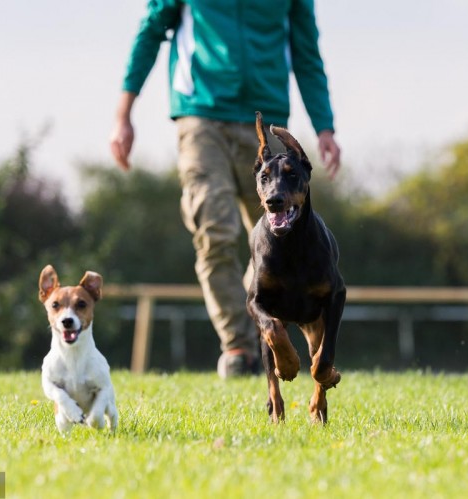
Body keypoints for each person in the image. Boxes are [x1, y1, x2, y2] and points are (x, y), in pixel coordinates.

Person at [109, 0, 341, 378]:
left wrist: (324, 126)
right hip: (201, 114)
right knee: (214, 230)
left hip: (265, 119)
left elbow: (306, 50)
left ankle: (265, 330)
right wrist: (123, 113)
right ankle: (238, 346)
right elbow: (152, 29)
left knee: (282, 237)